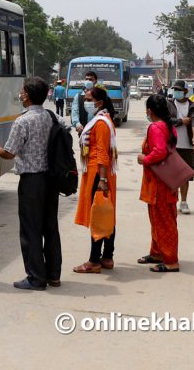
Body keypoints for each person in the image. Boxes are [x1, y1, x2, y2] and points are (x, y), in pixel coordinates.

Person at [0, 76, 62, 291]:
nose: (20, 94)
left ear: (27, 95)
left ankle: (35, 277)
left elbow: (9, 152)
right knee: (50, 227)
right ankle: (53, 274)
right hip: (51, 179)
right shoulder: (53, 117)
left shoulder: (22, 121)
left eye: (23, 91)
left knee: (31, 229)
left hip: (32, 181)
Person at [72, 85, 118, 274]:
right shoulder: (102, 119)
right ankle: (107, 256)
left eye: (89, 99)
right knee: (106, 214)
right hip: (101, 173)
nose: (86, 102)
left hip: (99, 175)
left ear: (99, 102)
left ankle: (94, 261)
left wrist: (103, 180)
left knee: (98, 216)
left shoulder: (100, 123)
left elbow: (101, 153)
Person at [137, 94, 180, 272]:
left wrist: (144, 159)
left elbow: (159, 152)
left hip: (159, 183)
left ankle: (170, 260)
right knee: (158, 218)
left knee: (164, 220)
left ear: (149, 110)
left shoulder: (155, 127)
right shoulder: (168, 127)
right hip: (166, 180)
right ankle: (157, 252)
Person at [167, 80, 194, 214]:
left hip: (187, 145)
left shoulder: (192, 105)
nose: (177, 92)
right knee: (171, 175)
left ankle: (184, 202)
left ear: (185, 92)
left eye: (179, 90)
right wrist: (181, 121)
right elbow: (166, 120)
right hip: (172, 145)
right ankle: (171, 201)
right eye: (175, 90)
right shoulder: (169, 104)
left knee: (185, 176)